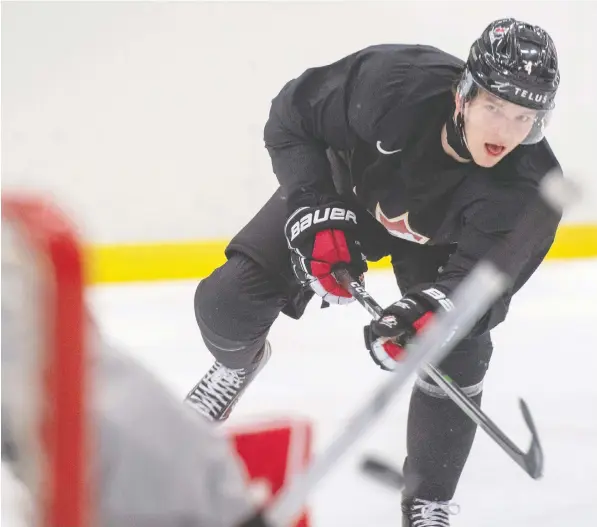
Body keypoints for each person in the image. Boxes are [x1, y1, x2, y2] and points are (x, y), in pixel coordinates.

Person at [186, 18, 561, 526]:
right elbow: (291, 120)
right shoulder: (394, 83)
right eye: (495, 107)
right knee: (225, 304)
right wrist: (314, 206)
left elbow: (482, 287)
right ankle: (237, 364)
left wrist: (437, 312)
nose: (506, 132)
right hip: (346, 193)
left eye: (526, 118)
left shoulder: (530, 188)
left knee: (459, 350)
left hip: (439, 249)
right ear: (464, 94)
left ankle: (428, 499)